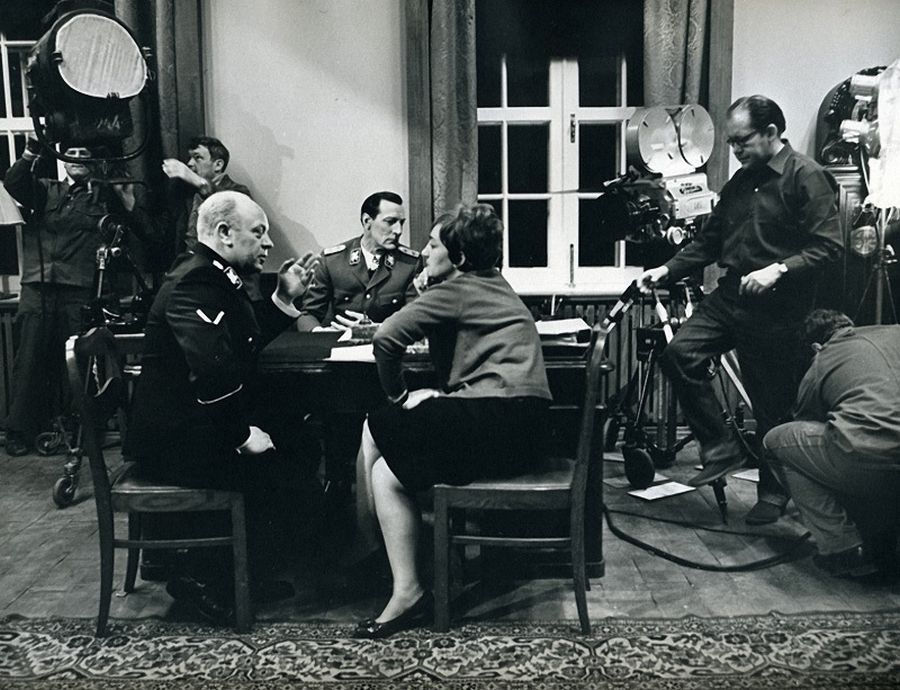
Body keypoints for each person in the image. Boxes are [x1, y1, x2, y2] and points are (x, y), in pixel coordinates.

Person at [637, 95, 843, 525]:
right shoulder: (740, 182)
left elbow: (829, 247)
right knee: (680, 353)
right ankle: (721, 447)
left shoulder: (807, 176)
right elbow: (710, 241)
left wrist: (779, 269)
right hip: (731, 296)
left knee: (770, 406)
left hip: (779, 307)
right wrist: (667, 269)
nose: (734, 151)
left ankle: (774, 493)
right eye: (731, 142)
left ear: (771, 132)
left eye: (741, 141)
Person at [351, 203, 552, 639]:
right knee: (386, 460)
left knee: (379, 428)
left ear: (458, 257)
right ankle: (395, 569)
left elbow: (386, 338)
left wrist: (399, 395)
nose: (423, 253)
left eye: (433, 245)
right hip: (523, 425)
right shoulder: (494, 283)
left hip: (497, 419)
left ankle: (392, 574)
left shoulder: (458, 289)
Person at [124, 191, 320, 624]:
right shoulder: (195, 281)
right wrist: (242, 435)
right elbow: (213, 372)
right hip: (174, 442)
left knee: (299, 438)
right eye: (259, 232)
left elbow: (240, 342)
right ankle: (201, 577)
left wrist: (282, 299)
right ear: (225, 233)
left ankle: (240, 570)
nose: (269, 243)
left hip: (192, 426)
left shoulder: (214, 276)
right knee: (283, 457)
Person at [3, 139, 136, 456]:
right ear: (62, 159)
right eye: (70, 153)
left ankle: (79, 432)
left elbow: (128, 209)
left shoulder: (104, 194)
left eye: (83, 154)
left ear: (93, 161)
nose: (75, 158)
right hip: (38, 287)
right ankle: (19, 432)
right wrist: (31, 151)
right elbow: (13, 182)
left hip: (79, 289)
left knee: (78, 363)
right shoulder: (45, 189)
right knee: (29, 360)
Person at [764, 310, 900, 578]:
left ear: (815, 346)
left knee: (778, 443)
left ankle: (843, 549)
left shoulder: (822, 359)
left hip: (871, 464)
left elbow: (807, 421)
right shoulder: (894, 331)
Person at [296, 191, 421, 332]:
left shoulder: (410, 264)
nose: (398, 230)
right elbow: (308, 314)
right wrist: (320, 332)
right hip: (339, 342)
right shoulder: (332, 261)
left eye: (401, 223)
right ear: (367, 221)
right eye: (390, 222)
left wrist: (377, 329)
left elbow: (416, 318)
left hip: (387, 342)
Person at [162, 136, 251, 257]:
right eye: (190, 158)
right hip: (186, 264)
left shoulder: (239, 192)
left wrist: (199, 182)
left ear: (218, 165)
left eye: (197, 157)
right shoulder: (186, 193)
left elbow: (225, 205)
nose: (189, 163)